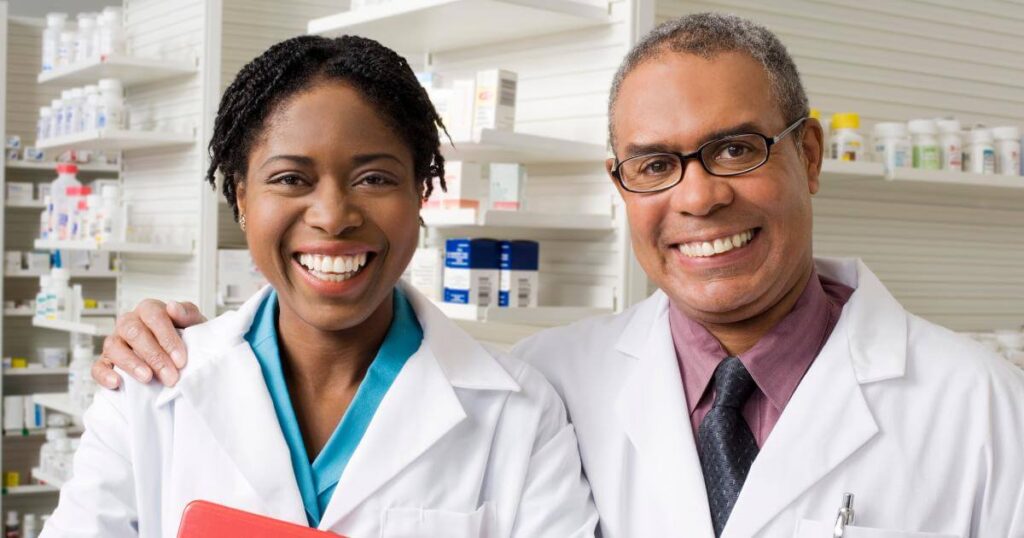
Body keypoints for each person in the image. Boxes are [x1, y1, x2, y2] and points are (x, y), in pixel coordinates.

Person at [94, 13, 1024, 538]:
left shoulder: (984, 410)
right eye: (655, 164)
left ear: (809, 156)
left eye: (735, 150)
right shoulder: (554, 380)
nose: (697, 198)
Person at [44, 35, 597, 538]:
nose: (333, 216)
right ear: (240, 198)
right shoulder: (149, 388)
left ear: (420, 193)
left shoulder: (520, 411)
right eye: (290, 179)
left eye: (375, 178)